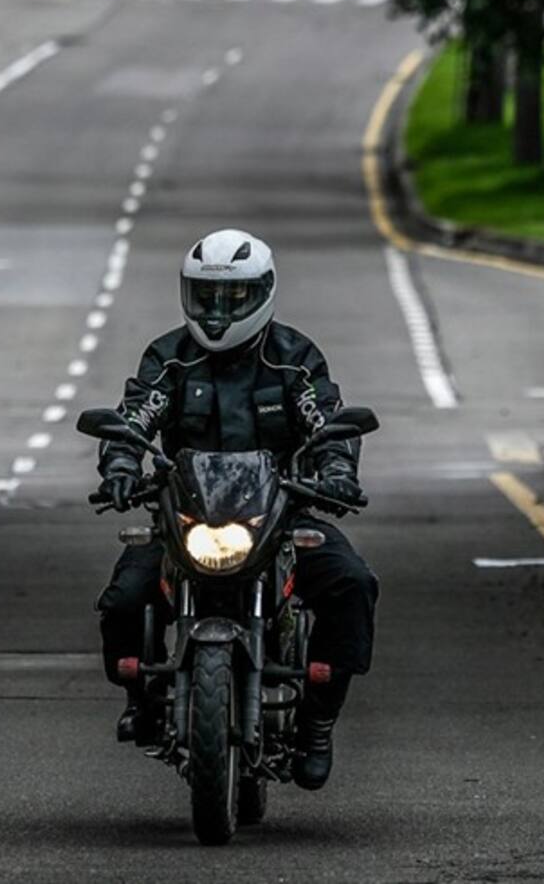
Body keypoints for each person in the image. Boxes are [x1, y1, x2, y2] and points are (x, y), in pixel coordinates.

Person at [94, 228, 379, 791]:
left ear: (264, 294)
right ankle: (140, 697)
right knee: (125, 597)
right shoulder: (169, 358)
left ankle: (318, 720)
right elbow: (134, 418)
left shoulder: (294, 359)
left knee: (352, 584)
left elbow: (325, 419)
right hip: (184, 519)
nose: (218, 311)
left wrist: (338, 471)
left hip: (280, 518)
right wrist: (121, 467)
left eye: (234, 298)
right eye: (206, 297)